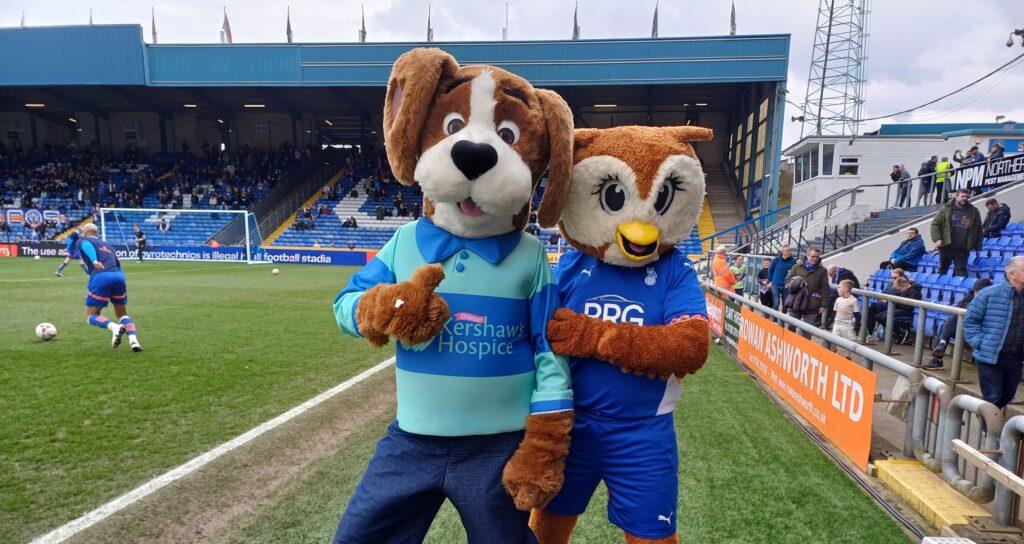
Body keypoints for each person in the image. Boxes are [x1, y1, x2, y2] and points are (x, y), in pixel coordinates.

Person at [964, 256, 1024, 409]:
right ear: (1011, 274)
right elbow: (971, 321)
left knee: (1008, 395)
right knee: (993, 397)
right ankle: (990, 431)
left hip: (1015, 357)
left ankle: (991, 426)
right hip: (989, 356)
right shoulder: (988, 294)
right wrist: (980, 343)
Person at [75, 223, 142, 352]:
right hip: (118, 276)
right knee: (122, 314)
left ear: (85, 233)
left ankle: (114, 328)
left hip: (101, 277)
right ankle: (134, 340)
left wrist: (94, 261)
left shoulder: (84, 240)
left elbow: (87, 245)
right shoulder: (109, 245)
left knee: (91, 316)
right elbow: (118, 264)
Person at [925, 278, 993, 369]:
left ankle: (940, 350)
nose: (977, 294)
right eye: (975, 291)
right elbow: (956, 309)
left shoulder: (992, 301)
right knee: (945, 324)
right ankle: (939, 355)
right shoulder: (970, 297)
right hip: (965, 330)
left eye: (979, 291)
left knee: (947, 324)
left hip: (977, 334)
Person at [931, 189, 982, 277]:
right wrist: (937, 239)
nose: (965, 198)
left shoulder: (974, 210)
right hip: (947, 246)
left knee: (961, 272)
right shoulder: (946, 209)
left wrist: (977, 245)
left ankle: (962, 290)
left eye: (967, 197)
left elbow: (978, 228)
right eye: (962, 196)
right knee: (942, 270)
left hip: (963, 248)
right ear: (956, 197)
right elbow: (935, 224)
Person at [784, 246, 830, 336]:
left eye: (817, 256)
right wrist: (796, 283)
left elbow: (825, 288)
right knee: (791, 327)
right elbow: (787, 281)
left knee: (808, 331)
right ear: (807, 255)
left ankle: (804, 348)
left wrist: (823, 305)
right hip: (796, 302)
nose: (815, 259)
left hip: (812, 304)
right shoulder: (797, 267)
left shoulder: (822, 271)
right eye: (813, 256)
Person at [862, 277, 921, 344]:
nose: (900, 291)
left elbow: (909, 306)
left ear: (905, 284)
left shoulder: (914, 291)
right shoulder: (904, 290)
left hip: (907, 311)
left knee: (885, 317)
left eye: (901, 289)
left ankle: (900, 332)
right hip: (899, 308)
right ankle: (897, 332)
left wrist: (895, 302)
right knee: (878, 316)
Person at [768, 245, 797, 310]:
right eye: (788, 251)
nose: (790, 252)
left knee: (785, 303)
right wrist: (770, 281)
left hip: (786, 285)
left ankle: (782, 319)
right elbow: (770, 270)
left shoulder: (793, 261)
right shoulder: (776, 260)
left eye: (790, 251)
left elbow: (795, 272)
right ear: (783, 252)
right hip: (776, 284)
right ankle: (775, 319)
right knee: (776, 302)